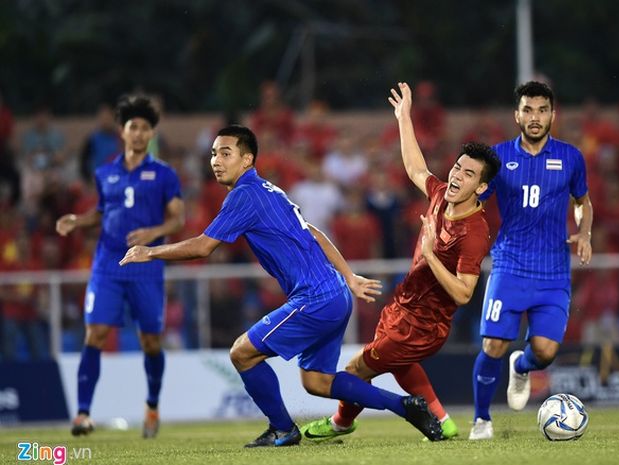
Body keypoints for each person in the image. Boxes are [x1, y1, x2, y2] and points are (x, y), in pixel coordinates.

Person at [119, 124, 443, 447]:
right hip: (335, 295)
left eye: (226, 153)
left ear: (247, 160)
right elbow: (313, 232)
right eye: (214, 153)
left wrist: (151, 251)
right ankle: (405, 405)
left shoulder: (243, 195)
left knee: (242, 353)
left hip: (315, 297)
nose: (216, 160)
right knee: (317, 381)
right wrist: (349, 277)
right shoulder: (270, 190)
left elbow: (204, 247)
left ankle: (282, 429)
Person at [300, 82, 501, 441]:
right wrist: (403, 117)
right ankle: (443, 420)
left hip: (424, 325)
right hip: (404, 307)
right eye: (458, 167)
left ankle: (340, 423)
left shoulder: (473, 233)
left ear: (482, 188)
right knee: (400, 366)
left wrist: (429, 256)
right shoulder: (442, 195)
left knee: (355, 370)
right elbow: (414, 168)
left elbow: (464, 294)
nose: (456, 176)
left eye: (469, 174)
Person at [469, 81, 593, 440]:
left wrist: (584, 233)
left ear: (553, 114)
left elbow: (582, 202)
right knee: (493, 344)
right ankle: (481, 420)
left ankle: (521, 367)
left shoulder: (571, 157)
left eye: (542, 110)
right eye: (528, 110)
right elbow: (474, 199)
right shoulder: (497, 158)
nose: (535, 117)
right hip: (509, 264)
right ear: (517, 115)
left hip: (553, 270)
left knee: (544, 351)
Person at [55, 95, 185, 438]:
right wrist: (78, 221)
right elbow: (102, 213)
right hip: (107, 265)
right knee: (94, 334)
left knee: (150, 343)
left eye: (145, 128)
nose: (139, 133)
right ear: (122, 131)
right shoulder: (105, 173)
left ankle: (152, 405)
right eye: (133, 127)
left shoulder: (164, 174)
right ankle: (82, 414)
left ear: (151, 133)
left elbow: (178, 219)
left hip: (146, 266)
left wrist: (153, 233)